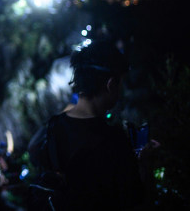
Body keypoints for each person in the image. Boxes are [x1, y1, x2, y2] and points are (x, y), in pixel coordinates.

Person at [28, 40, 157, 210]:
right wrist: (145, 163)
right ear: (111, 84)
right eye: (121, 84)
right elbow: (137, 200)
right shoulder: (114, 141)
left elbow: (34, 153)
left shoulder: (54, 126)